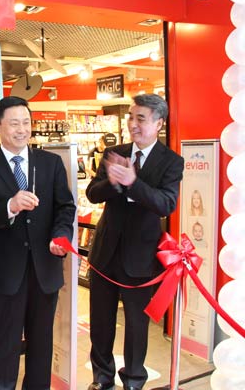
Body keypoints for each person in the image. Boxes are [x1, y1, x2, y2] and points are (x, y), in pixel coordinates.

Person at [0, 96, 76, 390]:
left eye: (26, 122)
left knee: (42, 342)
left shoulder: (50, 163)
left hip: (45, 269)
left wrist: (61, 235)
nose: (22, 129)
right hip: (5, 271)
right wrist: (10, 206)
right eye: (14, 123)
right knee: (4, 342)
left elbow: (65, 207)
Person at [86, 94, 184, 390]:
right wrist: (114, 182)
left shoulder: (171, 161)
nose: (133, 124)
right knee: (101, 323)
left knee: (136, 326)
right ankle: (102, 378)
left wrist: (133, 183)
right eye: (131, 117)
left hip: (141, 259)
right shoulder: (114, 152)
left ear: (158, 123)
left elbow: (166, 204)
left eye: (140, 118)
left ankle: (133, 380)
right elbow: (92, 193)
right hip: (105, 254)